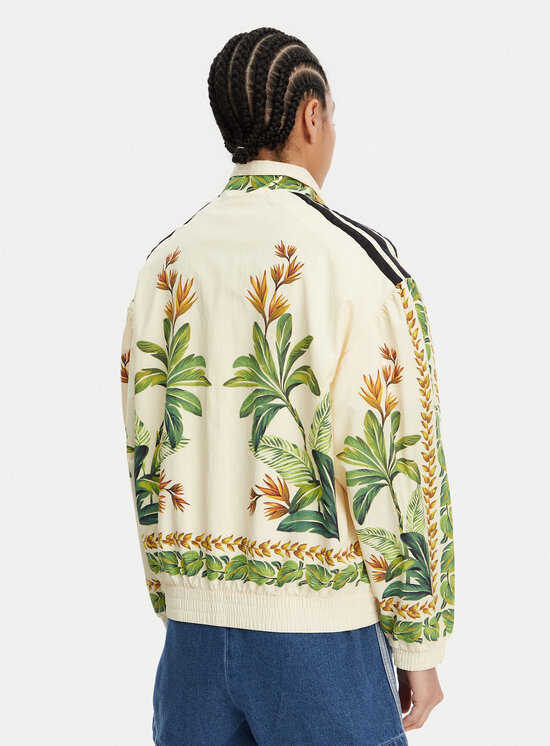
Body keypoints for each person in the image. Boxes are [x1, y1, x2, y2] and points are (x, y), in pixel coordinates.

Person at [120, 25, 455, 746]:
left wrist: (175, 594)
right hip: (319, 639)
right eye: (332, 115)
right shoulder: (356, 264)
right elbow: (392, 459)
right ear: (310, 115)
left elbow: (146, 446)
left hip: (191, 640)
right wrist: (419, 639)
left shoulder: (164, 265)